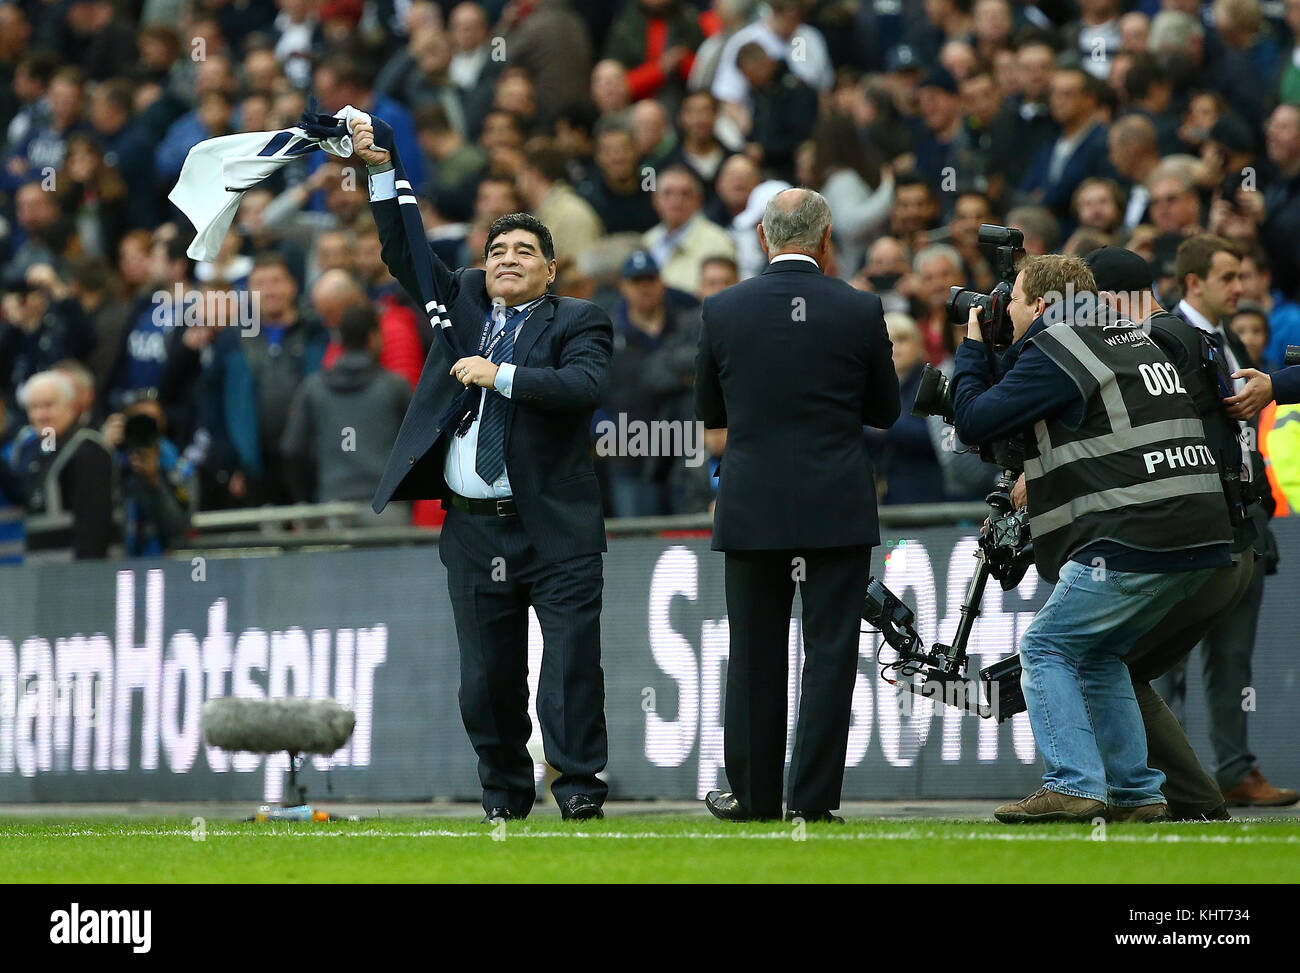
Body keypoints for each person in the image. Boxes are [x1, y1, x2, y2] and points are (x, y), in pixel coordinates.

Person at [352, 115, 614, 823]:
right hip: (471, 530)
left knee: (567, 670)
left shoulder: (579, 321)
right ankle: (503, 794)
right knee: (487, 680)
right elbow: (405, 252)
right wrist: (380, 171)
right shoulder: (460, 302)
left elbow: (583, 389)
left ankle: (581, 788)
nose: (507, 258)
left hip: (553, 526)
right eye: (497, 248)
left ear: (551, 270)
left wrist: (498, 375)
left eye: (525, 251)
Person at [951, 254, 1233, 824]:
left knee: (1045, 647)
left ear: (1046, 306)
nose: (1004, 308)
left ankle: (1074, 783)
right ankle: (1136, 793)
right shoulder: (1130, 338)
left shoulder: (1060, 346)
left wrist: (973, 348)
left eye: (1013, 300)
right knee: (1099, 653)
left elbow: (974, 420)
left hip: (1135, 533)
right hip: (1199, 533)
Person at [695, 188, 899, 822]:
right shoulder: (859, 308)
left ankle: (753, 797)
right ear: (827, 238)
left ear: (762, 237)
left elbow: (710, 412)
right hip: (835, 506)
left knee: (754, 655)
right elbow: (886, 411)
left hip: (753, 504)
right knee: (831, 654)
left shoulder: (723, 310)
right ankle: (813, 802)